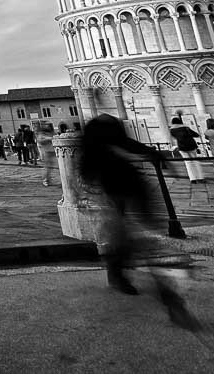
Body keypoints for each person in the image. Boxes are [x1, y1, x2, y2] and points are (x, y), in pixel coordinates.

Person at [79, 114, 197, 329]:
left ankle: (121, 274)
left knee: (137, 245)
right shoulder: (100, 155)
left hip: (133, 198)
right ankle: (167, 297)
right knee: (138, 245)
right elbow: (94, 180)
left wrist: (154, 155)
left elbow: (91, 179)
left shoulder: (100, 151)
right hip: (124, 201)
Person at [169, 117, 205, 183]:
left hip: (182, 147)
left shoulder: (172, 130)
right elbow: (196, 135)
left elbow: (174, 137)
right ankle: (200, 178)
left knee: (188, 163)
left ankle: (192, 179)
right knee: (195, 161)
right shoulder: (185, 127)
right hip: (191, 146)